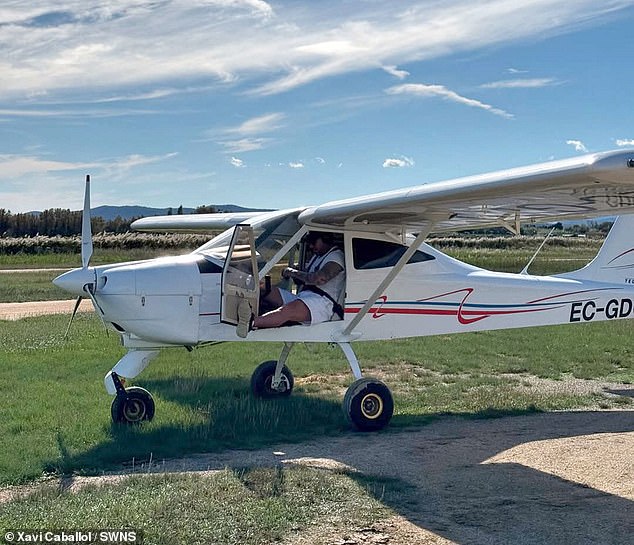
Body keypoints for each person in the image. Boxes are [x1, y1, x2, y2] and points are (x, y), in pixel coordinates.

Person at [236, 232, 345, 337]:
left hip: (323, 304)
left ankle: (250, 322)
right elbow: (306, 277)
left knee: (288, 311)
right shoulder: (318, 256)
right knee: (263, 288)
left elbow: (319, 278)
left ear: (325, 239)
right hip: (305, 297)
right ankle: (238, 308)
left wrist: (292, 272)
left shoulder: (336, 256)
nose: (311, 246)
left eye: (313, 242)